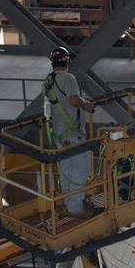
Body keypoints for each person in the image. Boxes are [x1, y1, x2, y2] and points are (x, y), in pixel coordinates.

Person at [43, 47, 95, 216]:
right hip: (73, 134)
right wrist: (86, 104)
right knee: (82, 170)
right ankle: (76, 208)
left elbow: (59, 101)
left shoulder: (48, 81)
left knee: (66, 171)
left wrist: (82, 100)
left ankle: (69, 203)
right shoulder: (68, 78)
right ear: (67, 62)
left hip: (58, 134)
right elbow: (72, 100)